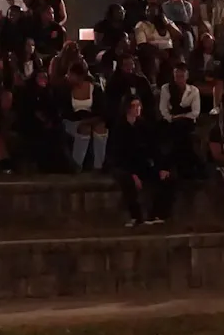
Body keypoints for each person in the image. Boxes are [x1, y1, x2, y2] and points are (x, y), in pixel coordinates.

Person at [111, 97, 172, 226]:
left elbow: (153, 148)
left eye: (139, 105)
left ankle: (156, 214)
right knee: (127, 181)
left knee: (167, 179)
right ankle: (136, 217)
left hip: (142, 164)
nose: (137, 108)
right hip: (124, 166)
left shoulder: (144, 126)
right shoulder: (119, 128)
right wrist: (133, 175)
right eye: (134, 106)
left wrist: (162, 168)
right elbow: (119, 155)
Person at [61, 62, 108, 172]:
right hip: (71, 121)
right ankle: (77, 165)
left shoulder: (94, 89)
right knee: (84, 129)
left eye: (71, 75)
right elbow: (64, 112)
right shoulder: (66, 90)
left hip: (91, 120)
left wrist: (89, 120)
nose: (68, 77)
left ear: (79, 76)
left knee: (101, 127)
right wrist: (81, 122)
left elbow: (102, 111)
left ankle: (99, 166)